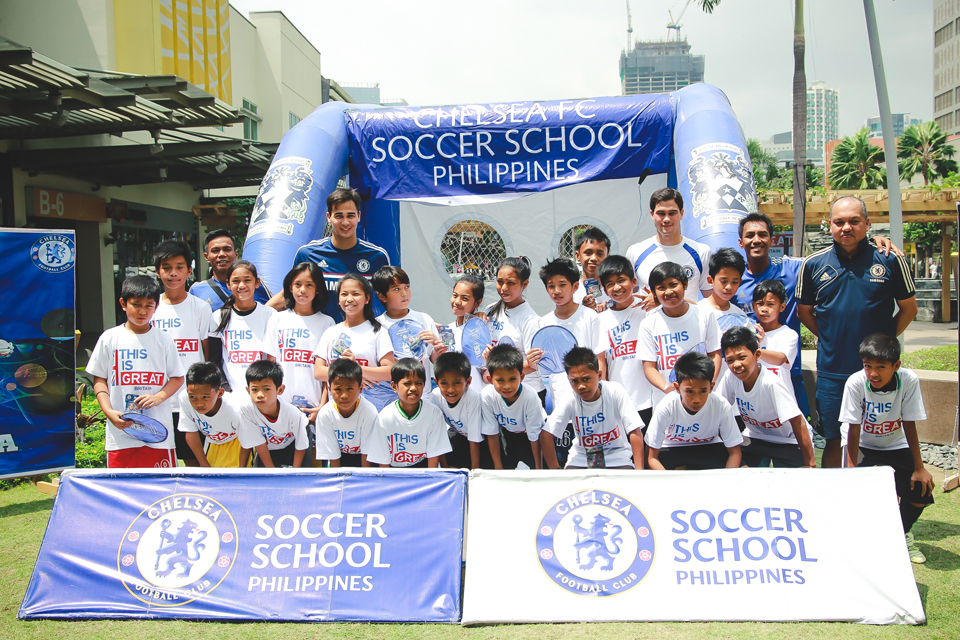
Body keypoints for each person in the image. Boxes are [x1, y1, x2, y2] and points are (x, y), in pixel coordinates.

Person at [736, 212, 901, 422]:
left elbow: (832, 257)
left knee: (797, 434)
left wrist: (870, 242)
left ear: (771, 239)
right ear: (741, 242)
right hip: (745, 374)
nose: (756, 240)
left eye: (762, 234)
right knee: (752, 436)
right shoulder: (734, 281)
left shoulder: (794, 268)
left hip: (787, 373)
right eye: (750, 235)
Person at [797, 196, 917, 468]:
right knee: (832, 438)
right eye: (839, 222)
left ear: (867, 224)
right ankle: (832, 500)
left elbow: (909, 309)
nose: (846, 227)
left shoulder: (890, 259)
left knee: (876, 438)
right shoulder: (813, 264)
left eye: (854, 221)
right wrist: (827, 336)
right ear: (829, 225)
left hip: (878, 372)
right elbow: (804, 312)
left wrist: (886, 342)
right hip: (832, 370)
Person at [840, 333, 934, 564]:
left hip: (895, 441)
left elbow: (909, 422)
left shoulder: (908, 380)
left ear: (896, 366)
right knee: (854, 494)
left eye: (881, 367)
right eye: (867, 366)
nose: (873, 373)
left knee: (921, 490)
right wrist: (852, 468)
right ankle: (860, 542)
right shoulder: (855, 382)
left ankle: (900, 535)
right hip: (861, 442)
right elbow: (853, 426)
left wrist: (919, 467)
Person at [87, 275, 184, 468]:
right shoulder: (109, 338)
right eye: (136, 304)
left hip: (158, 432)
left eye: (149, 305)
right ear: (123, 303)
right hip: (120, 434)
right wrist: (108, 411)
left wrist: (158, 398)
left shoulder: (164, 340)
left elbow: (178, 378)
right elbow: (100, 380)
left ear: (156, 306)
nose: (142, 311)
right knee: (120, 490)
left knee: (160, 489)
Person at [272, 188, 391, 319]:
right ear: (329, 217)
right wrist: (254, 319)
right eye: (339, 216)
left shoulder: (377, 256)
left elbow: (392, 298)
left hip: (360, 335)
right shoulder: (307, 254)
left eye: (350, 215)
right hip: (319, 335)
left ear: (359, 216)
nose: (345, 222)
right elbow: (289, 295)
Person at [716, 327, 816, 469]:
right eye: (730, 360)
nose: (737, 365)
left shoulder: (770, 383)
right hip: (755, 437)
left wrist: (810, 463)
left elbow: (798, 422)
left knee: (791, 483)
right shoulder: (730, 377)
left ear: (757, 355)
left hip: (789, 441)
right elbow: (718, 410)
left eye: (742, 357)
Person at [151, 240, 213, 467]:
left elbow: (208, 355)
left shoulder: (200, 307)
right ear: (158, 271)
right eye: (166, 268)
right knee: (162, 460)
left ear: (189, 270)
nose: (173, 273)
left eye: (179, 267)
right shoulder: (151, 307)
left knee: (195, 459)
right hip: (158, 399)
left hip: (192, 399)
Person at [537, 257, 599, 465]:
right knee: (567, 463)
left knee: (593, 463)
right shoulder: (544, 322)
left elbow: (600, 361)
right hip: (561, 405)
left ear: (574, 286)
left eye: (562, 285)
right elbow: (541, 366)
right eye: (550, 286)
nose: (556, 291)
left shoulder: (590, 317)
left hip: (591, 407)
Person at [541, 347, 644, 470]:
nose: (581, 386)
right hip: (581, 458)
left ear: (599, 375)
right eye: (574, 381)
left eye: (586, 379)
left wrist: (639, 472)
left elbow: (634, 430)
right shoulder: (570, 398)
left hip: (616, 456)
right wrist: (556, 470)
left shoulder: (615, 391)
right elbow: (546, 434)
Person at [639, 262, 722, 411]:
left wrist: (707, 385)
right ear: (654, 292)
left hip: (702, 399)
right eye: (661, 288)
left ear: (685, 284)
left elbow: (714, 354)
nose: (668, 291)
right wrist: (667, 388)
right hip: (667, 402)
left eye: (673, 285)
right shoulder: (648, 324)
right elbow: (649, 366)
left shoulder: (705, 315)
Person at [261, 263, 334, 425]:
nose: (303, 290)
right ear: (290, 287)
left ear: (318, 289)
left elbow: (327, 372)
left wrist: (323, 406)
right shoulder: (277, 319)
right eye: (298, 284)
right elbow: (270, 365)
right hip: (280, 405)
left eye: (309, 285)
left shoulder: (327, 323)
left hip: (314, 408)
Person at [645, 351, 743, 470]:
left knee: (744, 469)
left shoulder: (721, 405)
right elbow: (651, 458)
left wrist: (728, 480)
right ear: (677, 387)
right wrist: (670, 484)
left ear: (711, 387)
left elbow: (734, 452)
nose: (696, 400)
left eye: (703, 391)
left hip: (709, 447)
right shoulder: (666, 406)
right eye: (689, 391)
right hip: (671, 449)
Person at [312, 274, 396, 411]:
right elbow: (319, 372)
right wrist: (352, 375)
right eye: (344, 294)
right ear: (338, 299)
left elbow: (389, 371)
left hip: (370, 409)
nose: (349, 299)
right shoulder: (330, 332)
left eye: (356, 294)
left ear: (367, 298)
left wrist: (359, 370)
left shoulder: (378, 331)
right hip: (337, 409)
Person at [625, 187, 712, 307]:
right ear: (652, 214)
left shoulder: (701, 252)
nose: (666, 219)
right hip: (649, 325)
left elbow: (712, 302)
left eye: (672, 213)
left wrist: (660, 300)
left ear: (681, 214)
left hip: (689, 325)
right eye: (661, 213)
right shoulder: (636, 252)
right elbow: (628, 299)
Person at [594, 255, 651, 424]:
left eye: (621, 280)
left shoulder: (649, 309)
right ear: (604, 290)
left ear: (634, 282)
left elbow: (691, 307)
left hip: (650, 399)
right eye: (610, 284)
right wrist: (603, 394)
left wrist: (661, 300)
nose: (617, 287)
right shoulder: (602, 319)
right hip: (619, 401)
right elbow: (601, 361)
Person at [365, 359, 453, 468]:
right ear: (394, 386)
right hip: (393, 470)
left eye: (419, 383)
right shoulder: (385, 417)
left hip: (421, 466)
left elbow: (434, 457)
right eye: (407, 383)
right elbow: (383, 462)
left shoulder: (434, 413)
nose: (413, 388)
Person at [208, 260, 277, 394]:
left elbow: (273, 359)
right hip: (232, 395)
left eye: (247, 280)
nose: (241, 285)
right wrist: (225, 387)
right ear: (228, 284)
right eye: (235, 281)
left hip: (263, 394)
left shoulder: (270, 314)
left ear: (257, 283)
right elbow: (214, 360)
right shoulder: (218, 317)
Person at [484, 257, 545, 401]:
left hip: (528, 394)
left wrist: (499, 372)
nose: (504, 288)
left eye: (510, 283)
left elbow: (533, 366)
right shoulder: (489, 311)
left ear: (524, 284)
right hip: (500, 391)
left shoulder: (530, 320)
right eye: (500, 282)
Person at [480, 344, 550, 470]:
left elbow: (535, 436)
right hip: (507, 434)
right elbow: (492, 433)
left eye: (512, 379)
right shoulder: (487, 396)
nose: (507, 386)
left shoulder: (530, 396)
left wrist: (539, 470)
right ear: (490, 380)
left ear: (521, 377)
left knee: (542, 469)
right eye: (500, 380)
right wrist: (498, 468)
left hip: (532, 437)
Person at [373, 265, 441, 388]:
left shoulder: (424, 319)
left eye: (407, 287)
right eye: (396, 289)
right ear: (382, 296)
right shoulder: (377, 325)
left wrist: (437, 345)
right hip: (389, 394)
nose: (404, 294)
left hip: (421, 393)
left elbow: (436, 360)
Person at [237, 360, 310, 468]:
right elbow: (258, 441)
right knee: (267, 479)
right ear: (248, 390)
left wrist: (295, 473)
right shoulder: (246, 410)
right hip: (268, 447)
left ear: (280, 390)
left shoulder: (293, 414)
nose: (260, 395)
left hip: (294, 443)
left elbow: (301, 444)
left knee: (297, 479)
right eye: (255, 389)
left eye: (266, 389)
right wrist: (271, 470)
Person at [177, 362, 246, 467]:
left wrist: (242, 468)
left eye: (205, 397)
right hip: (213, 442)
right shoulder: (184, 399)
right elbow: (191, 434)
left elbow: (247, 439)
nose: (199, 403)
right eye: (193, 397)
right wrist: (204, 465)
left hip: (239, 442)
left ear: (220, 393)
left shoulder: (235, 408)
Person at [314, 358, 381, 467]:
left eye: (350, 388)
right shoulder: (325, 414)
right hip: (341, 457)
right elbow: (332, 456)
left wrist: (365, 481)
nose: (344, 395)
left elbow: (367, 454)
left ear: (360, 389)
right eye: (338, 389)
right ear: (330, 389)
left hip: (364, 458)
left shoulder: (369, 412)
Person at [431, 351, 492, 469]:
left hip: (483, 440)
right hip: (460, 435)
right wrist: (444, 468)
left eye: (457, 383)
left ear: (468, 382)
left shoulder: (472, 398)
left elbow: (475, 440)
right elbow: (436, 435)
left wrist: (475, 472)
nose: (450, 389)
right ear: (436, 382)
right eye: (444, 383)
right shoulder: (435, 396)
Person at [190, 229, 272, 311]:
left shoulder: (255, 285)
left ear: (236, 255)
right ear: (206, 257)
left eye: (227, 249)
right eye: (215, 250)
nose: (222, 254)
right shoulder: (197, 291)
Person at [752, 280, 800, 403]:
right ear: (753, 306)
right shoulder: (748, 332)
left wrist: (751, 350)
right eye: (760, 303)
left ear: (782, 306)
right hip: (756, 401)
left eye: (770, 304)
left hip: (782, 402)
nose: (764, 309)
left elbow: (780, 359)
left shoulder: (788, 334)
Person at [443, 274, 488, 393]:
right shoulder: (447, 330)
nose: (457, 302)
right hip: (451, 396)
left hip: (476, 397)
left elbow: (485, 372)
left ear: (477, 303)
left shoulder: (481, 330)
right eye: (455, 295)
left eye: (465, 298)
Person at [571, 227, 612, 312]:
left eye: (600, 254)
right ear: (577, 255)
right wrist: (582, 310)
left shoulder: (616, 288)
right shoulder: (572, 290)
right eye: (588, 253)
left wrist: (610, 307)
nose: (593, 258)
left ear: (607, 257)